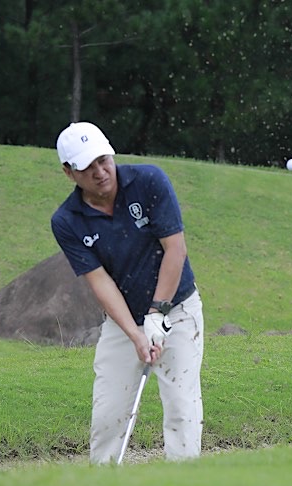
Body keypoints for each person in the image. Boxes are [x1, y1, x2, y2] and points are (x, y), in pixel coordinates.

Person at [50, 121, 204, 464]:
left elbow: (175, 251)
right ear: (68, 172)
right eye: (87, 167)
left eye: (103, 160)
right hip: (122, 322)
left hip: (177, 310)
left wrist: (158, 312)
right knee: (108, 414)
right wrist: (135, 333)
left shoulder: (149, 181)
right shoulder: (67, 221)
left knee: (182, 407)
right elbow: (100, 281)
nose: (100, 171)